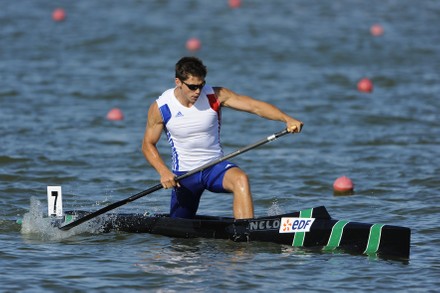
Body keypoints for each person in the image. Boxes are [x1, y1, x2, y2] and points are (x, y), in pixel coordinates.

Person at [142, 57, 303, 220]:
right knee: (179, 233)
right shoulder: (162, 107)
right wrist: (163, 172)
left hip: (215, 167)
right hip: (184, 175)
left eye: (201, 85)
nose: (198, 91)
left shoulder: (215, 95)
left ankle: (246, 233)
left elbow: (255, 107)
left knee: (241, 179)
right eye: (192, 87)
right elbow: (148, 144)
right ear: (178, 82)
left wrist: (286, 118)